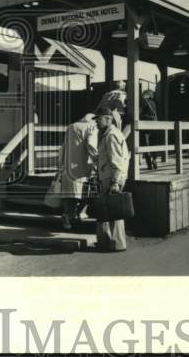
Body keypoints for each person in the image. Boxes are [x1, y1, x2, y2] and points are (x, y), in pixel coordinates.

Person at [94, 106, 131, 252]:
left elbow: (116, 161)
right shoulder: (109, 134)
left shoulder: (111, 136)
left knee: (114, 211)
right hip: (107, 176)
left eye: (98, 119)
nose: (96, 123)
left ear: (108, 119)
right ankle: (106, 241)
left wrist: (115, 182)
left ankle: (117, 243)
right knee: (106, 210)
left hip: (111, 177)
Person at [56, 113, 98, 230]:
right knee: (85, 191)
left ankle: (67, 215)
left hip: (68, 165)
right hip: (82, 166)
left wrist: (61, 163)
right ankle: (80, 213)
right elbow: (91, 145)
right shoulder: (91, 127)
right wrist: (97, 159)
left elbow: (63, 147)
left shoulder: (71, 127)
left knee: (69, 193)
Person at [139, 88, 160, 170]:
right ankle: (154, 159)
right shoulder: (154, 103)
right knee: (154, 143)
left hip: (146, 126)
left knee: (146, 144)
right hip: (155, 125)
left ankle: (149, 164)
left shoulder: (144, 102)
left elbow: (139, 113)